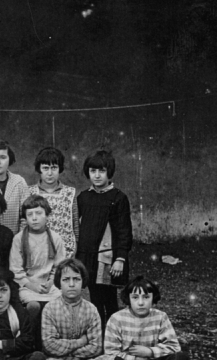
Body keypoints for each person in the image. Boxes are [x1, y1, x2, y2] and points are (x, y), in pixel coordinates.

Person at [40, 259, 137, 360]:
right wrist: (81, 342)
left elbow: (96, 347)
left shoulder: (91, 309)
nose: (71, 284)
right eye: (66, 280)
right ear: (59, 283)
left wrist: (66, 349)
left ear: (83, 282)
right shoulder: (49, 309)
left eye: (76, 279)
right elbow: (49, 346)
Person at [94, 276, 200, 360]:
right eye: (135, 297)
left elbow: (174, 347)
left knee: (181, 356)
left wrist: (149, 351)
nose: (140, 303)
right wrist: (136, 359)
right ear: (128, 299)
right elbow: (110, 353)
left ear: (153, 298)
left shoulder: (160, 317)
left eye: (146, 297)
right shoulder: (117, 319)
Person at [76, 150, 133, 327]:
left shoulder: (118, 198)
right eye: (93, 171)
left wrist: (120, 258)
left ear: (109, 172)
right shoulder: (84, 197)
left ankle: (113, 335)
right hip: (89, 256)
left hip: (108, 258)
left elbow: (124, 231)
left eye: (101, 171)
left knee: (109, 299)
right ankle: (97, 336)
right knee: (94, 298)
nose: (97, 175)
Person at [10, 194, 66, 348]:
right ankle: (32, 343)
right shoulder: (19, 239)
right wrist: (31, 285)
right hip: (28, 286)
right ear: (25, 218)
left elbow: (59, 267)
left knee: (60, 303)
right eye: (30, 215)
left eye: (39, 213)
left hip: (50, 286)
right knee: (33, 306)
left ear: (47, 215)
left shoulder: (56, 239)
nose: (34, 218)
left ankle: (53, 342)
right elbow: (15, 269)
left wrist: (51, 282)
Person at [27, 147, 79, 258]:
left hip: (65, 253)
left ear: (60, 169)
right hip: (36, 254)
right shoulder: (29, 192)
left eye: (54, 168)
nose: (50, 173)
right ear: (39, 169)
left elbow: (75, 225)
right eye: (45, 168)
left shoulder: (70, 193)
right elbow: (23, 224)